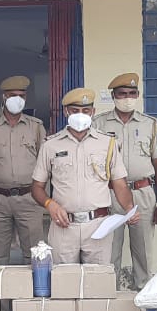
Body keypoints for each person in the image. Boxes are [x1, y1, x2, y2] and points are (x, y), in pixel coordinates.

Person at [30, 88, 138, 264]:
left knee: (97, 284)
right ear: (66, 112)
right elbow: (36, 187)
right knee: (64, 283)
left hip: (98, 226)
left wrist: (129, 209)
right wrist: (50, 205)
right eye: (74, 111)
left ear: (93, 112)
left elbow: (120, 183)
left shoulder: (107, 143)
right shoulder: (51, 145)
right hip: (63, 226)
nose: (80, 115)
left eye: (86, 111)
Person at [93, 72, 157, 290]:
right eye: (122, 93)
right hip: (109, 195)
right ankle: (111, 305)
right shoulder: (98, 124)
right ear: (113, 96)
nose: (127, 97)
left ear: (138, 95)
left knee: (143, 254)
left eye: (132, 93)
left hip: (142, 193)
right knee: (110, 254)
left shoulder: (149, 124)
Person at [0, 75, 47, 265]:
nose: (17, 99)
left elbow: (44, 164)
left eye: (21, 95)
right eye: (12, 95)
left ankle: (34, 295)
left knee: (35, 255)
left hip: (29, 198)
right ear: (3, 97)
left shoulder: (36, 127)